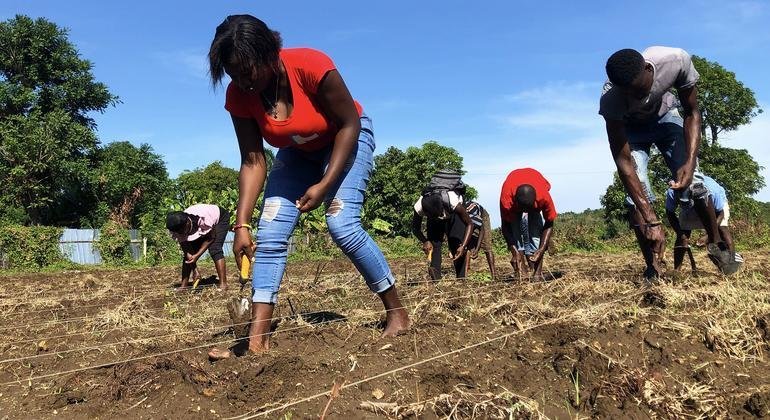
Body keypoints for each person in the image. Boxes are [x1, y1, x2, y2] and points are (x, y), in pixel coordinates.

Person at [206, 15, 409, 357]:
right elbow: (253, 160)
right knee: (269, 232)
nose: (242, 82)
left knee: (341, 223)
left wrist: (326, 183)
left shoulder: (311, 65)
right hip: (297, 153)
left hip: (346, 138)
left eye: (247, 71)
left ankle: (397, 312)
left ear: (269, 54)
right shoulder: (239, 95)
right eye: (233, 74)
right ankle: (257, 339)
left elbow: (349, 123)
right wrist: (240, 225)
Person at [599, 46, 731, 278]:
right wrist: (651, 219)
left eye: (639, 90)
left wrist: (689, 165)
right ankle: (653, 266)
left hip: (666, 118)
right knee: (635, 200)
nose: (636, 98)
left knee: (695, 184)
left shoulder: (675, 61)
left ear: (649, 69)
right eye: (628, 94)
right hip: (632, 132)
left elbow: (692, 112)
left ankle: (716, 244)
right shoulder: (611, 99)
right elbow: (623, 160)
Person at [411, 177, 496, 280]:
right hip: (436, 217)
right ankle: (436, 281)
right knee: (434, 246)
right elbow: (415, 228)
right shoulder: (419, 206)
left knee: (457, 243)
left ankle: (461, 280)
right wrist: (425, 241)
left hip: (453, 215)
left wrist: (463, 245)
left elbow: (470, 224)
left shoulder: (453, 201)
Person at [665, 174, 743, 274]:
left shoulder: (713, 192)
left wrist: (708, 236)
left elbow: (720, 214)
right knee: (682, 235)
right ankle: (676, 270)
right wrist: (681, 234)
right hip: (688, 208)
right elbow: (670, 213)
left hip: (714, 209)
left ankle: (731, 264)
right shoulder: (673, 191)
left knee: (723, 230)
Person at [499, 168, 556, 280]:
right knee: (516, 235)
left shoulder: (543, 197)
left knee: (536, 236)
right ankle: (522, 271)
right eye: (522, 209)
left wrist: (542, 248)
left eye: (527, 209)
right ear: (515, 201)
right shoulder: (507, 200)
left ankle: (537, 273)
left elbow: (549, 222)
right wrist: (514, 251)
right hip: (514, 204)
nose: (525, 213)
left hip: (535, 196)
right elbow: (505, 226)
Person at [166, 204, 231, 290]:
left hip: (219, 218)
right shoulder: (177, 229)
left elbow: (211, 237)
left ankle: (223, 284)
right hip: (201, 226)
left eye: (182, 231)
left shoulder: (202, 219)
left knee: (215, 249)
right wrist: (195, 270)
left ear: (188, 223)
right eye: (179, 232)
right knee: (187, 257)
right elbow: (187, 250)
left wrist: (197, 255)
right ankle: (183, 286)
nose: (182, 234)